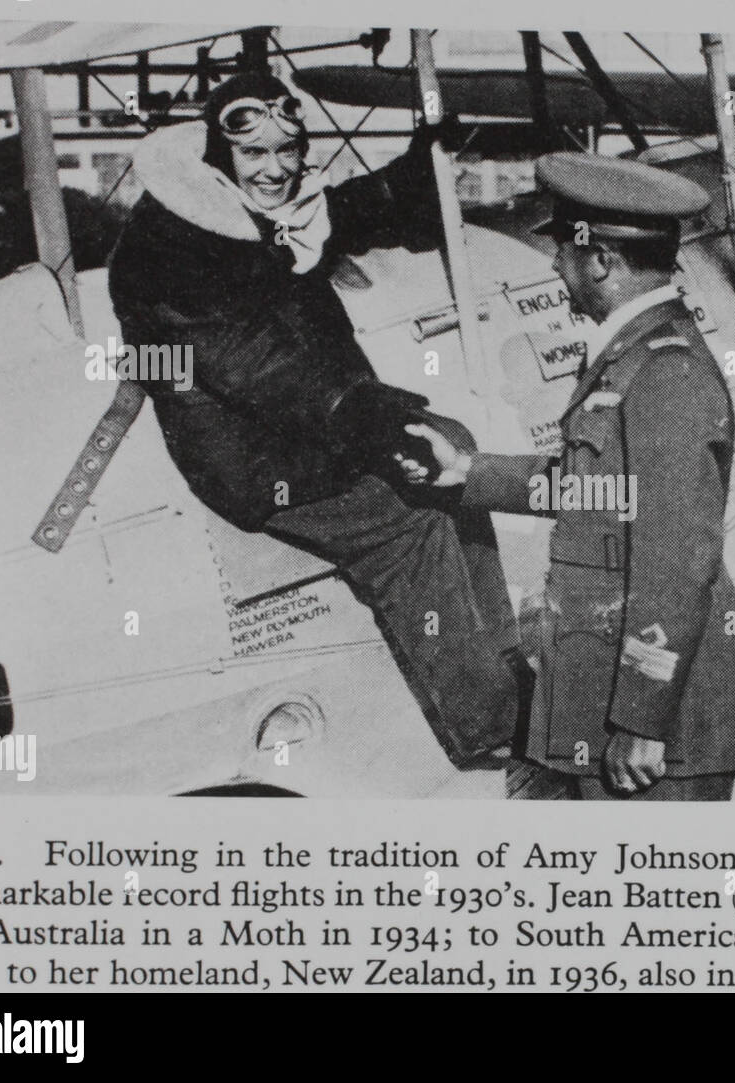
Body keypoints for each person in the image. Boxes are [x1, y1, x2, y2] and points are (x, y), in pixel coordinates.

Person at [107, 72, 526, 766]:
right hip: (250, 456)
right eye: (255, 155)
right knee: (405, 519)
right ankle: (492, 727)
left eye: (288, 150)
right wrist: (361, 411)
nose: (275, 170)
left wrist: (410, 175)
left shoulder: (243, 201)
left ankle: (506, 660)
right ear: (220, 155)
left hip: (300, 421)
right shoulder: (173, 246)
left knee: (453, 451)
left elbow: (332, 211)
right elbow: (252, 360)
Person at [399, 152, 735, 800]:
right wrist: (468, 472)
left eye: (563, 247)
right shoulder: (632, 352)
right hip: (610, 686)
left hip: (665, 719)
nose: (553, 264)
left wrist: (641, 720)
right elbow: (598, 486)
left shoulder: (665, 373)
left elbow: (679, 555)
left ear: (601, 261)